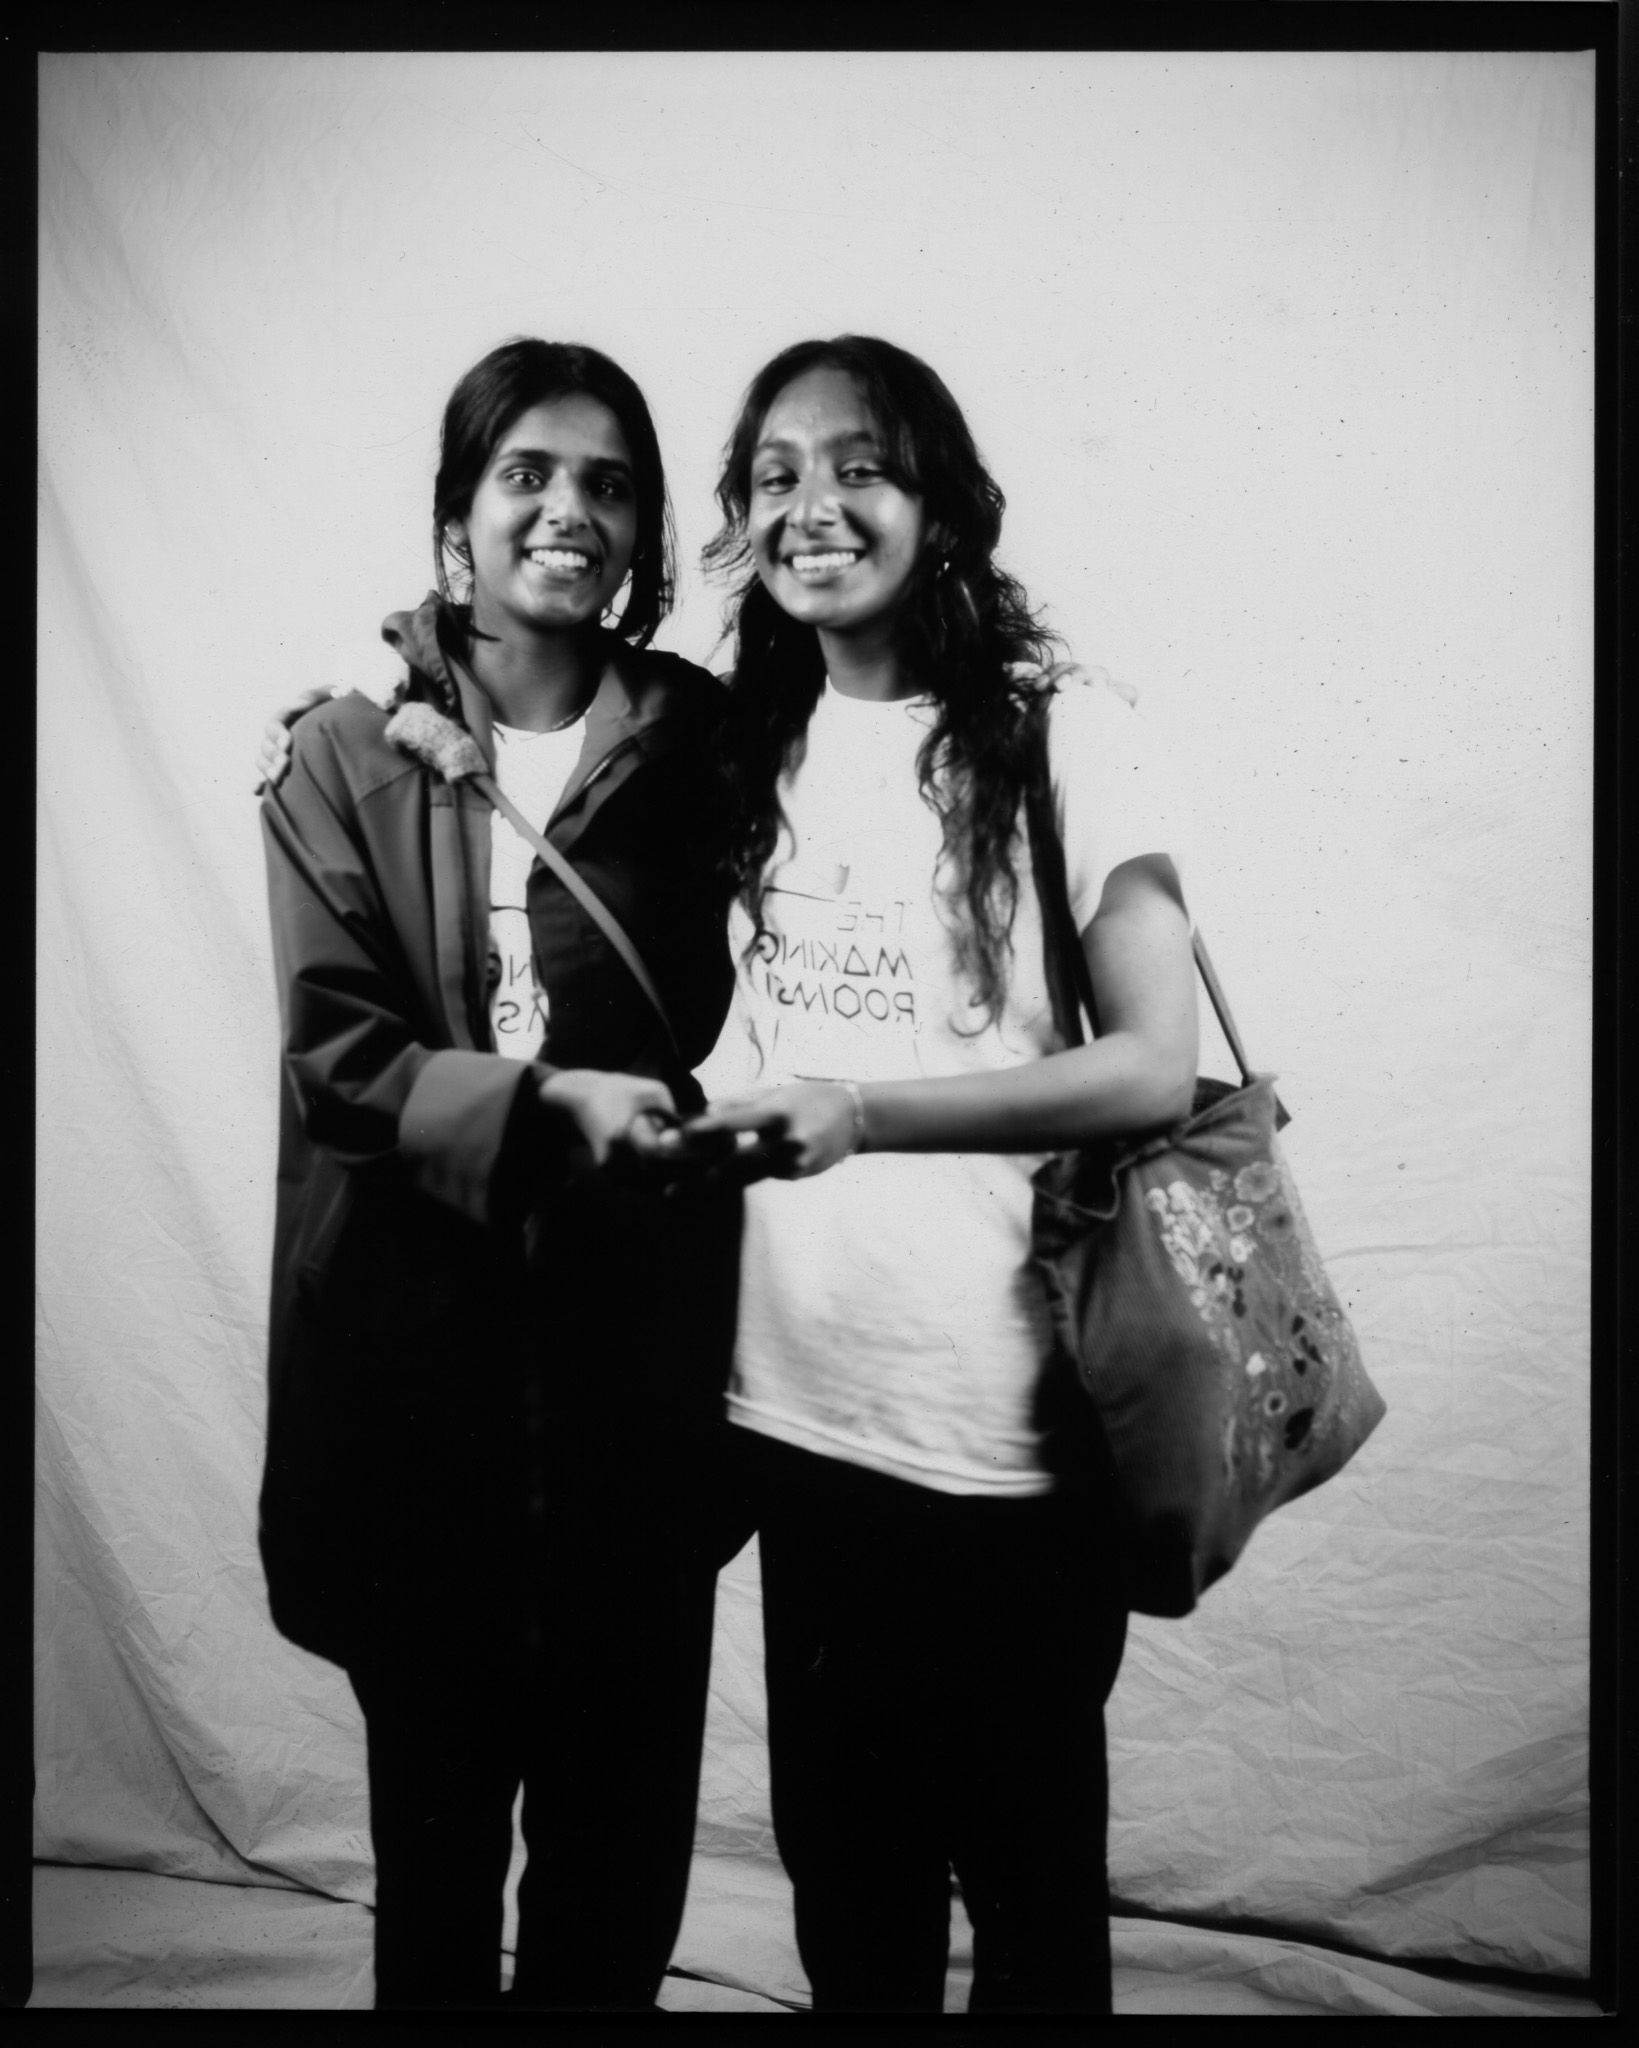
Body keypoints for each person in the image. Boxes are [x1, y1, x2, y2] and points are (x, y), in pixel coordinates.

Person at [680, 335, 1199, 2014]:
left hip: (1003, 1437)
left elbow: (1153, 1064)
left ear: (944, 508)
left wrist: (865, 1111)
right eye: (775, 475)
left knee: (1030, 1902)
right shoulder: (742, 738)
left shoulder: (1061, 734)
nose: (812, 507)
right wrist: (363, 700)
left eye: (861, 468)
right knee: (852, 1900)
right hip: (797, 1409)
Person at [258, 337, 747, 2011]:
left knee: (618, 1866)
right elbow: (340, 1061)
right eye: (526, 473)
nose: (569, 510)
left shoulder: (705, 744)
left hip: (638, 1386)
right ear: (456, 514)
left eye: (609, 483)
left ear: (647, 529)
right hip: (421, 1387)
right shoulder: (341, 750)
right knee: (440, 1862)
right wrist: (552, 1111)